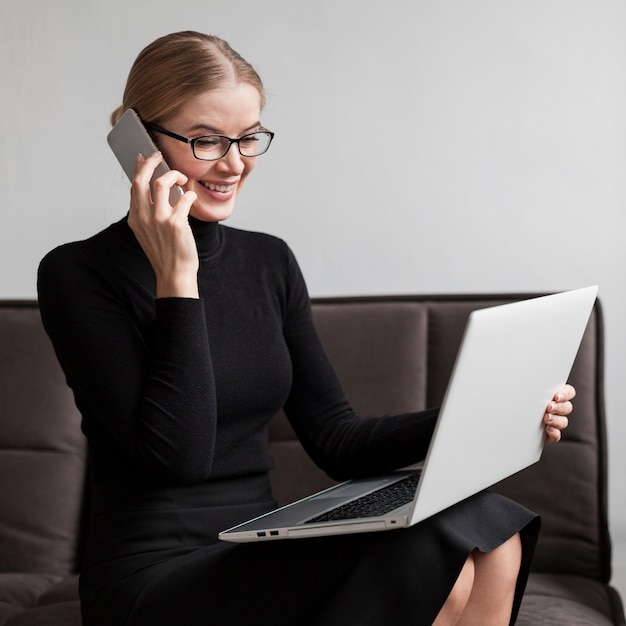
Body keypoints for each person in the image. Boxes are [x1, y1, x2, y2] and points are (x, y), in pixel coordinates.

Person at [37, 31, 574, 626]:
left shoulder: (269, 261)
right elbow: (180, 458)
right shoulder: (77, 273)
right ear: (138, 142)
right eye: (207, 139)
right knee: (426, 555)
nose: (235, 163)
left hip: (250, 548)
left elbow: (337, 439)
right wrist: (177, 276)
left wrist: (490, 417)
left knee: (491, 528)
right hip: (150, 575)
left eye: (248, 137)